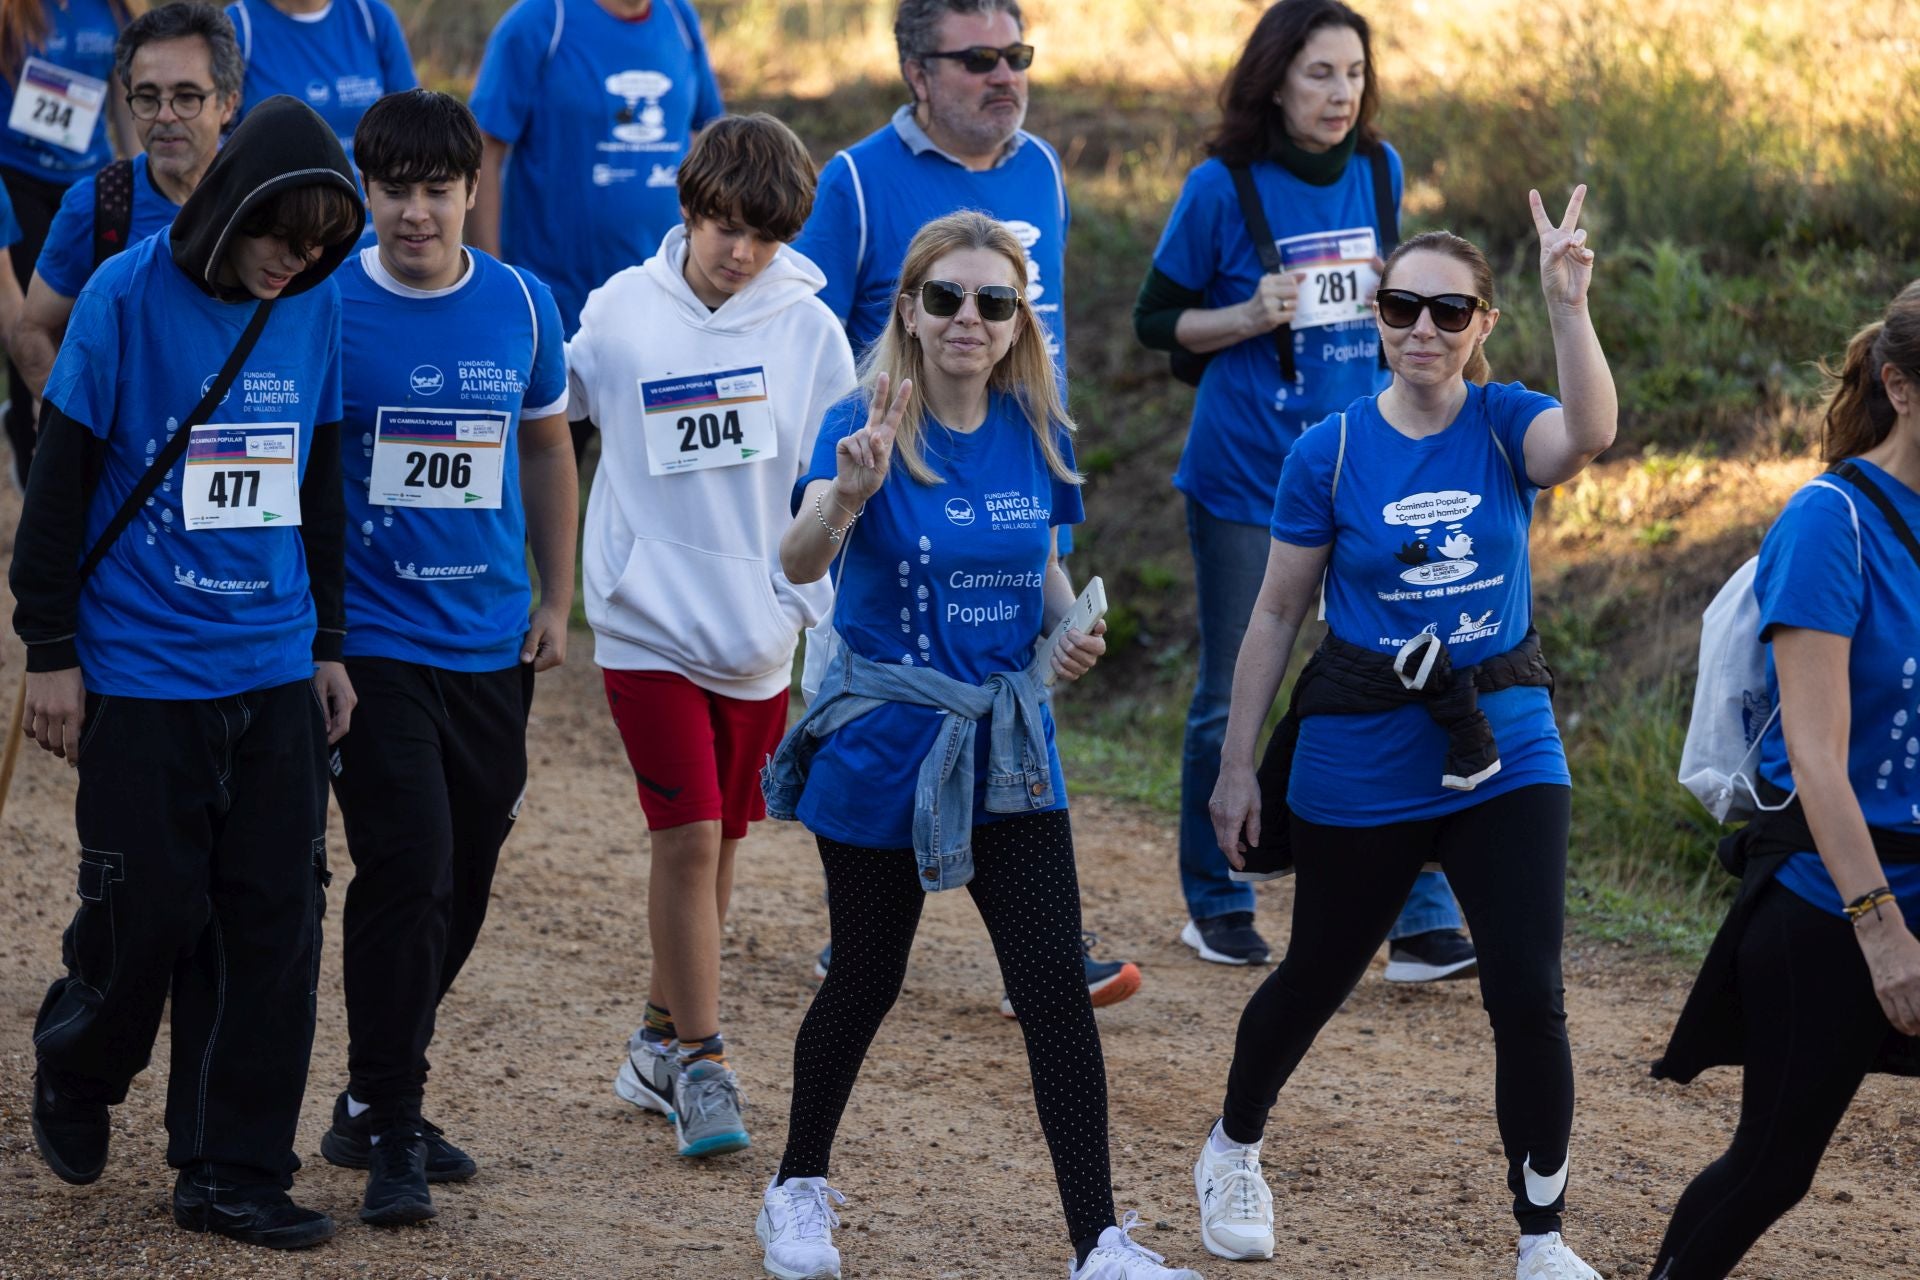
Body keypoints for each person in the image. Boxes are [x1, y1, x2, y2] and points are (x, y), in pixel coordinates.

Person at [757, 210, 1203, 1280]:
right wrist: (848, 496)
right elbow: (801, 552)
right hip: (885, 740)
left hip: (1009, 743)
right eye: (946, 296)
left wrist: (1068, 629)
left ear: (1016, 321)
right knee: (867, 973)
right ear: (908, 307)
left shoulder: (1039, 427)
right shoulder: (858, 423)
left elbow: (1043, 569)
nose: (969, 317)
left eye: (992, 301)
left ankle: (1099, 1240)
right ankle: (796, 1190)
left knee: (1052, 983)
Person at [1196, 195, 1616, 1280]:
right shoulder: (1329, 451)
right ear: (1377, 316)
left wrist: (1569, 303)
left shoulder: (1505, 421)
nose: (1422, 328)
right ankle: (1234, 1145)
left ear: (1481, 323)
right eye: (1401, 307)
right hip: (1363, 747)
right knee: (1318, 972)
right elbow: (1278, 615)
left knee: (1527, 985)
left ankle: (1543, 1238)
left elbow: (1591, 434)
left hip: (1504, 737)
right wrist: (1238, 764)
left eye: (1449, 309)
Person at [12, 93, 364, 1249]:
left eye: (317, 248)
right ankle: (78, 1057)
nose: (293, 264)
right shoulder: (123, 296)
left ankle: (229, 1167)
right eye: (279, 239)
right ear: (230, 210)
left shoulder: (309, 309)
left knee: (273, 921)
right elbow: (58, 487)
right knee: (148, 907)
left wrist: (325, 643)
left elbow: (315, 488)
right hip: (140, 666)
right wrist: (49, 651)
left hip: (268, 663)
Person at [789, 0, 1137, 1015]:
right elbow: (804, 327)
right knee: (894, 697)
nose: (1005, 77)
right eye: (977, 59)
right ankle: (865, 916)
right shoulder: (855, 179)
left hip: (1018, 459)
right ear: (915, 71)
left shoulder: (1042, 170)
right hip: (887, 484)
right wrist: (844, 465)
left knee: (1021, 679)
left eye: (1016, 55)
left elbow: (1047, 319)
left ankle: (1042, 929)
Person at [1133, 0, 1473, 977]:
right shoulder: (1220, 185)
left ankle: (1417, 912)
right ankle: (1219, 893)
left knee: (1404, 672)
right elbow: (1158, 323)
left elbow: (1402, 310)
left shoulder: (1380, 169)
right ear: (1276, 77)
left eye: (1354, 75)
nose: (1340, 94)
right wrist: (1243, 314)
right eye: (1320, 73)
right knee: (1234, 684)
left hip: (1363, 464)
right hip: (1246, 472)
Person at [313, 87, 576, 1227]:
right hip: (372, 646)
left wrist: (557, 596)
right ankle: (393, 1128)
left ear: (473, 189)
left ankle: (371, 1094)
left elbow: (548, 445)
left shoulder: (522, 303)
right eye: (392, 191)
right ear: (363, 192)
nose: (413, 214)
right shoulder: (325, 306)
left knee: (462, 881)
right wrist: (312, 634)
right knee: (409, 866)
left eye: (435, 191)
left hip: (490, 645)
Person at [567, 112, 853, 1160]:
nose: (741, 252)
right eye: (725, 225)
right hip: (644, 623)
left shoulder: (810, 330)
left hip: (756, 633)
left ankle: (653, 1038)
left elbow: (828, 482)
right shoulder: (623, 310)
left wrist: (800, 606)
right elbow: (551, 408)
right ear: (689, 207)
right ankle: (703, 1059)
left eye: (764, 236)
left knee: (726, 846)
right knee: (684, 837)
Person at [1646, 286, 1920, 1280]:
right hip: (1832, 897)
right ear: (1898, 384)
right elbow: (1816, 757)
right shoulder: (1830, 522)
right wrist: (1882, 931)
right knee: (1771, 1165)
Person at [11, 1, 239, 400]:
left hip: (234, 448)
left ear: (228, 103)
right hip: (20, 178)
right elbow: (33, 332)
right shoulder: (95, 208)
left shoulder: (262, 203)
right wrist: (70, 432)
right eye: (148, 99)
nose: (166, 115)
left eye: (187, 97)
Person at [468, 0, 721, 338]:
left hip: (665, 296)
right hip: (557, 304)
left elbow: (707, 132)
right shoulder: (543, 19)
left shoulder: (679, 17)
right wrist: (492, 284)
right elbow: (484, 149)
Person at [0, 0, 140, 488]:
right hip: (17, 179)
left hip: (90, 180)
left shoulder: (117, 8)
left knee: (95, 312)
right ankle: (30, 433)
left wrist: (146, 176)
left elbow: (124, 95)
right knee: (34, 315)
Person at [223, 0, 414, 165]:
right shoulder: (236, 27)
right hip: (274, 204)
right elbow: (216, 141)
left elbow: (411, 127)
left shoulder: (373, 18)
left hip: (364, 205)